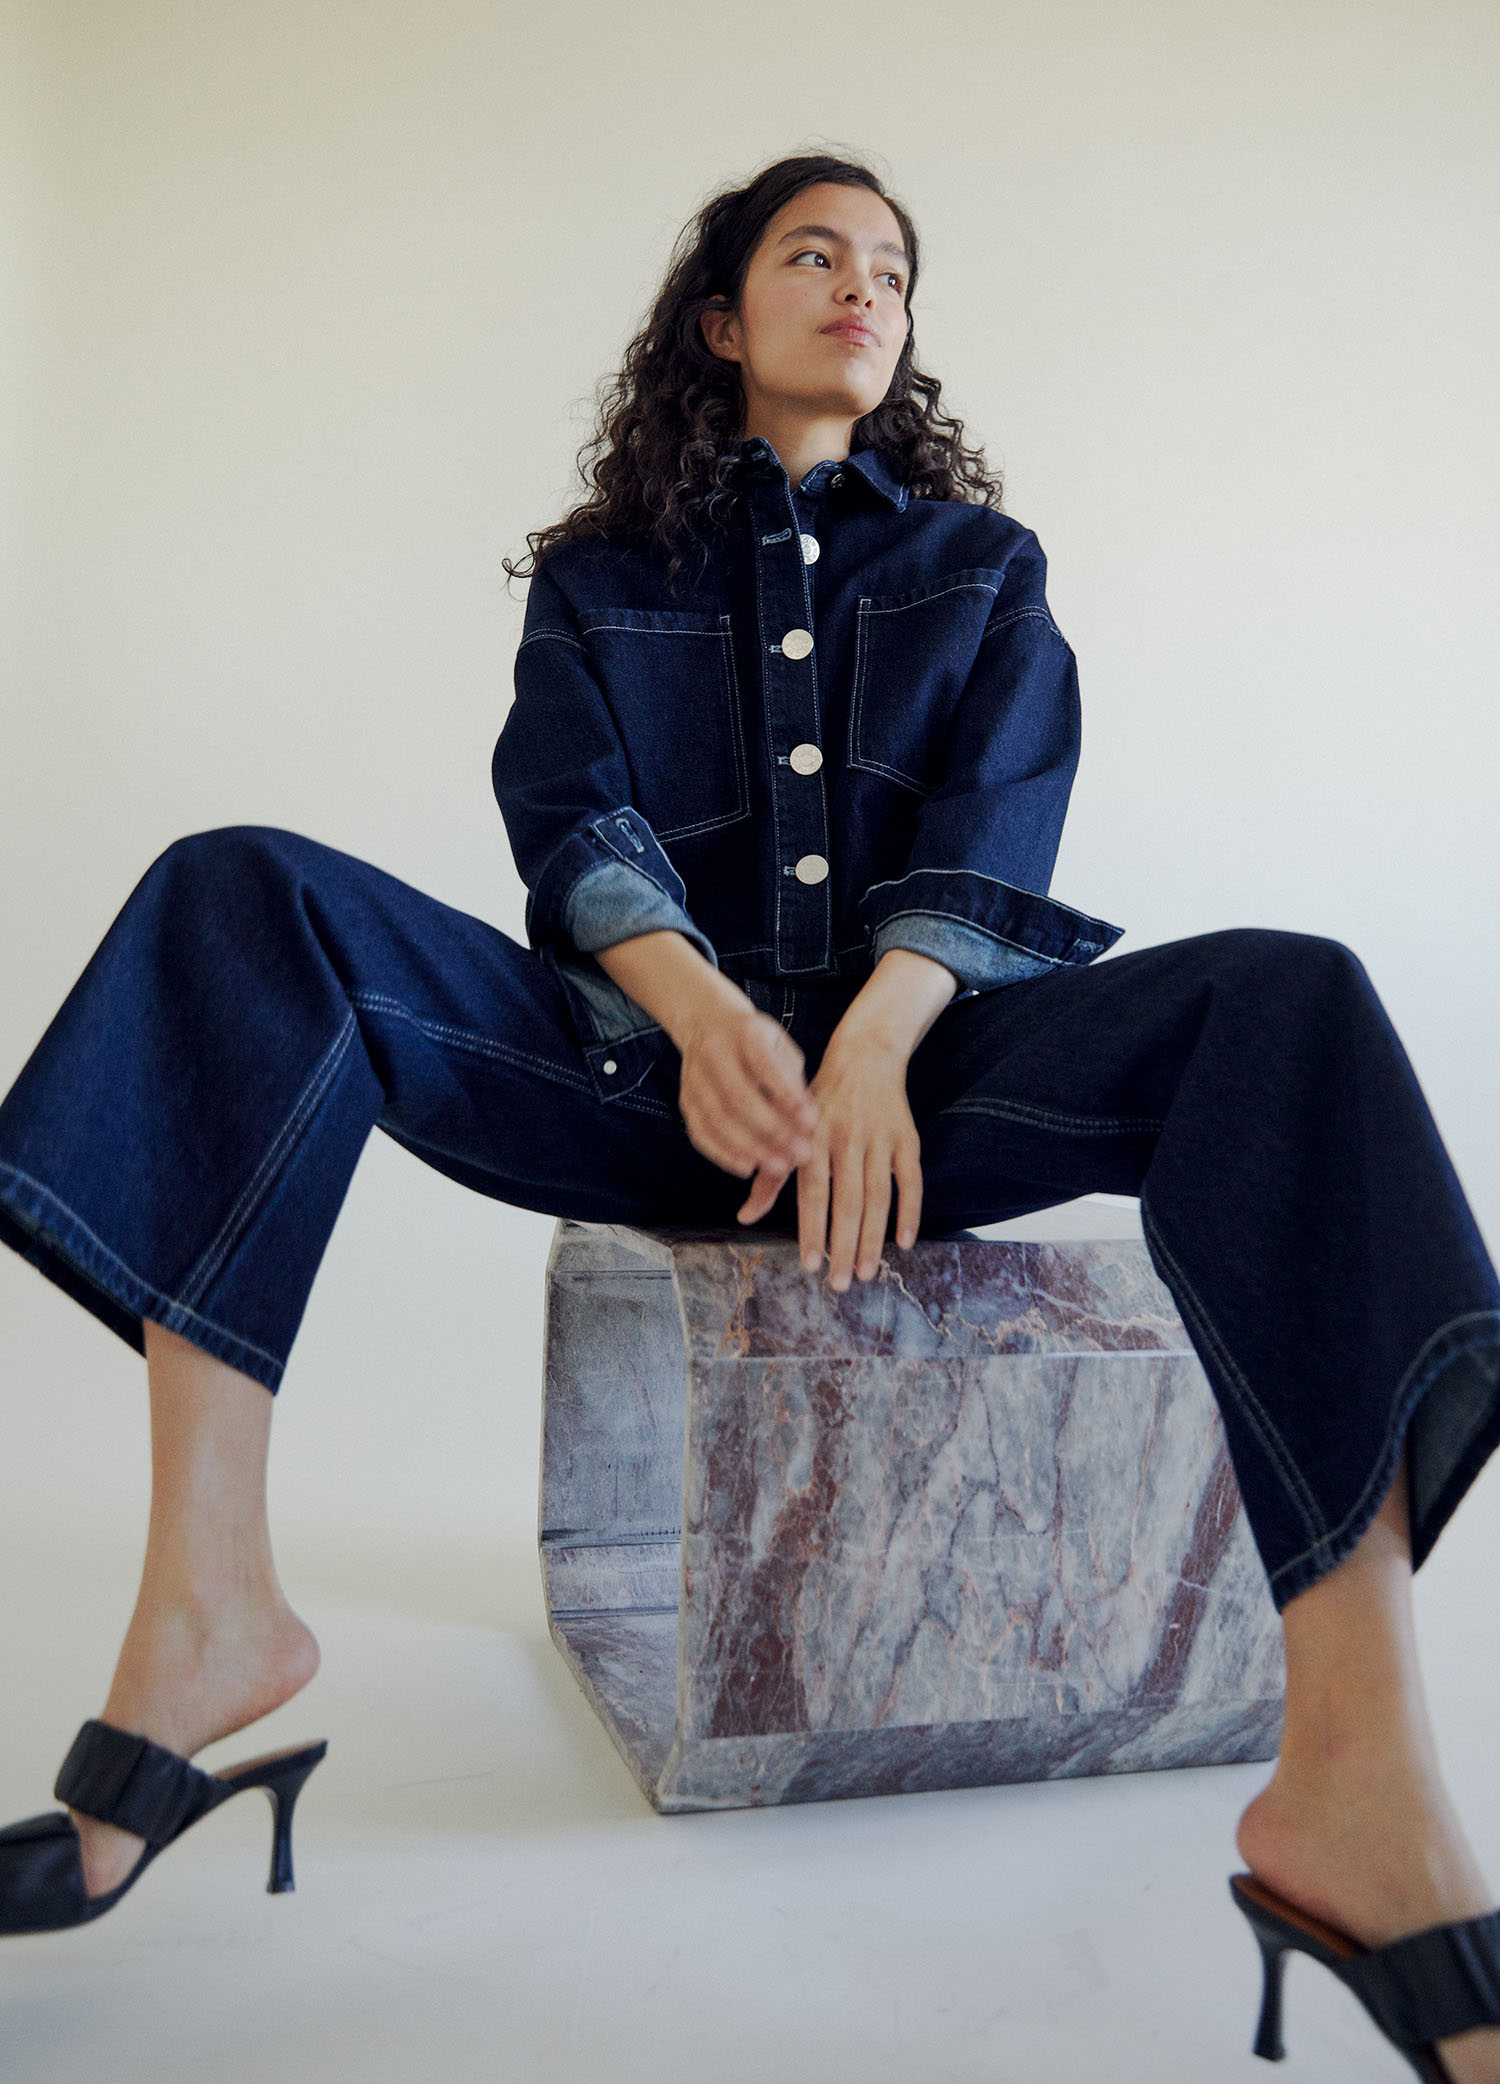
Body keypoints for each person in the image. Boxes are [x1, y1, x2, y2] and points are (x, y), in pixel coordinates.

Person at [1, 148, 1498, 2078]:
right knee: (239, 894)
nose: (866, 287)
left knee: (1294, 1002)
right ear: (720, 317)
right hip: (641, 1081)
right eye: (817, 253)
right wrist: (700, 1008)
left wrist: (873, 1045)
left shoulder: (982, 568)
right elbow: (568, 819)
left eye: (894, 269)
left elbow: (1001, 822)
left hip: (922, 1097)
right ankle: (208, 1603)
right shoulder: (598, 577)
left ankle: (1362, 1769)